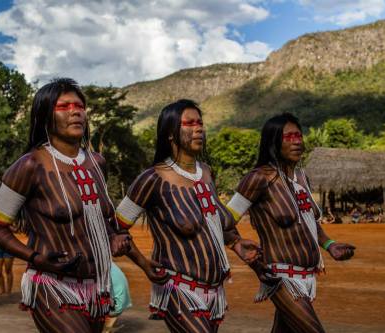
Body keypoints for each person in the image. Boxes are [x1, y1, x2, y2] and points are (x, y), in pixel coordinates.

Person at [0, 78, 130, 333]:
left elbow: (98, 218)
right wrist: (36, 258)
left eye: (80, 106)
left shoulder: (97, 163)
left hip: (97, 287)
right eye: (64, 107)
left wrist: (115, 236)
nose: (76, 111)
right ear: (44, 116)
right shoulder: (29, 165)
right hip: (52, 285)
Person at [114, 99, 263, 332]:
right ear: (170, 133)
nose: (199, 128)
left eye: (200, 123)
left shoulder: (205, 172)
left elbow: (210, 222)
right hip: (178, 287)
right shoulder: (152, 179)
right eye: (189, 123)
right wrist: (143, 263)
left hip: (214, 291)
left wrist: (235, 242)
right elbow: (116, 226)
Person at [226, 113, 356, 333]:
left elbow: (309, 222)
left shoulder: (301, 177)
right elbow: (222, 220)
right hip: (280, 277)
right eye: (288, 137)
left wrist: (329, 245)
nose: (297, 141)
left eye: (298, 135)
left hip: (307, 276)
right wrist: (239, 245)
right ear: (273, 142)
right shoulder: (259, 178)